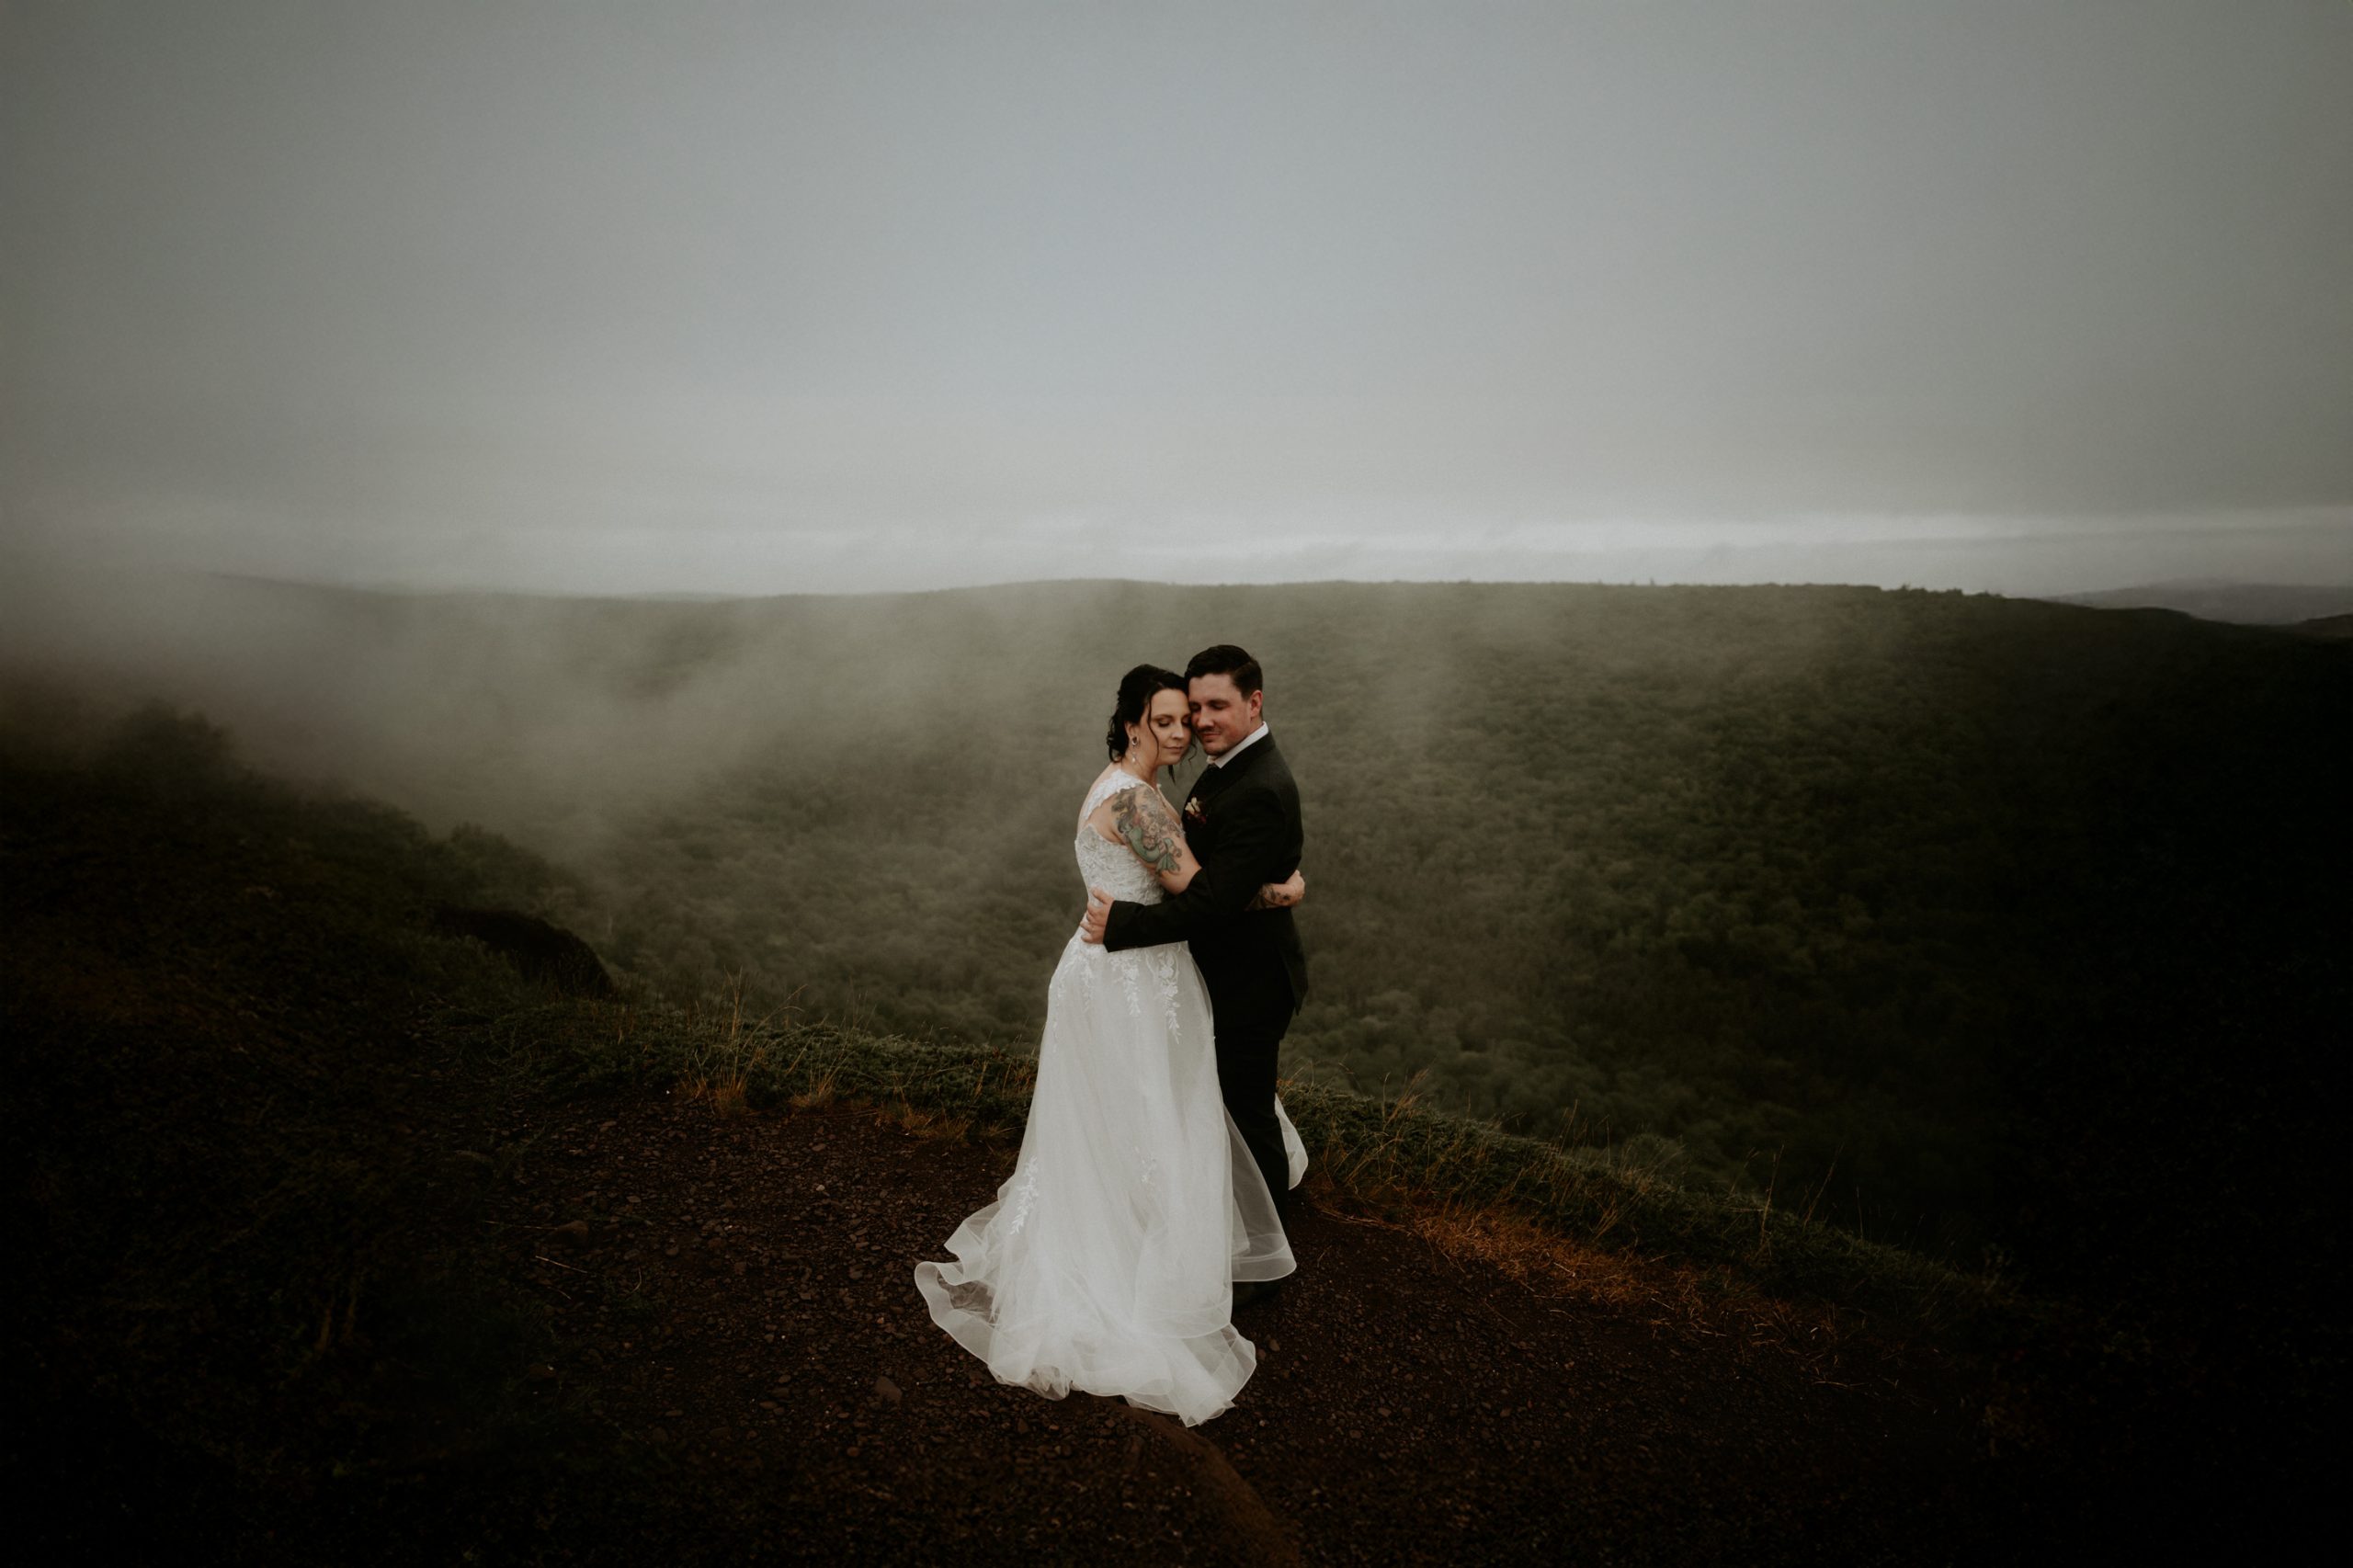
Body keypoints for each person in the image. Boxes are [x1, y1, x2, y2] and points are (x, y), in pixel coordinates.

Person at [913, 664, 1307, 1426]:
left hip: (1108, 971)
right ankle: (1140, 1254)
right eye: (1164, 720)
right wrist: (1284, 891)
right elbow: (1203, 894)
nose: (1180, 732)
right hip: (1130, 978)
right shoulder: (1136, 801)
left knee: (1113, 1111)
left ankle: (1129, 1227)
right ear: (1132, 724)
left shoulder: (1118, 785)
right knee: (1145, 1109)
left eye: (1185, 721)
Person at [1080, 644, 1308, 1309]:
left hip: (1248, 980)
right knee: (1196, 1104)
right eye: (1181, 715)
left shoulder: (1260, 785)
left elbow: (1209, 900)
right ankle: (1205, 1232)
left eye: (1211, 709)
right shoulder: (1205, 772)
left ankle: (1264, 1261)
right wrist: (1278, 891)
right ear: (1135, 724)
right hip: (1185, 968)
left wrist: (1121, 924)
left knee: (1245, 1115)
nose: (1195, 726)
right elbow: (1208, 880)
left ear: (1254, 703)